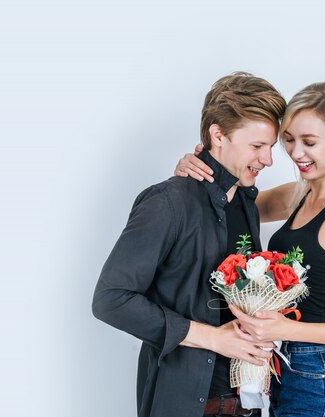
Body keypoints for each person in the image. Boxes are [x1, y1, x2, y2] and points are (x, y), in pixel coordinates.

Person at [174, 82, 325, 417]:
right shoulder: (296, 195)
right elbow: (225, 209)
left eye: (310, 142)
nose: (296, 152)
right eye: (289, 139)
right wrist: (197, 168)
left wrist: (286, 329)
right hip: (273, 372)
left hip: (319, 380)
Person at [92, 72, 286, 417]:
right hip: (189, 405)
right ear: (218, 134)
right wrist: (213, 338)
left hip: (249, 403)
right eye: (257, 146)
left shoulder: (246, 205)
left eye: (271, 147)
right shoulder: (167, 202)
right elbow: (110, 300)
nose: (268, 159)